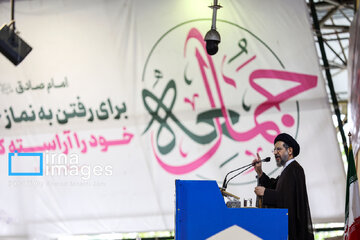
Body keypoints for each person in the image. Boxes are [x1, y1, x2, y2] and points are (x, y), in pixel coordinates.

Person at [253, 133, 314, 240]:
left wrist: (265, 193)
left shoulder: (295, 169)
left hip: (293, 231)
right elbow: (274, 186)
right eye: (274, 150)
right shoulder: (287, 170)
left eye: (279, 149)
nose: (275, 153)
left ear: (289, 151)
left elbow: (288, 199)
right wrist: (260, 172)